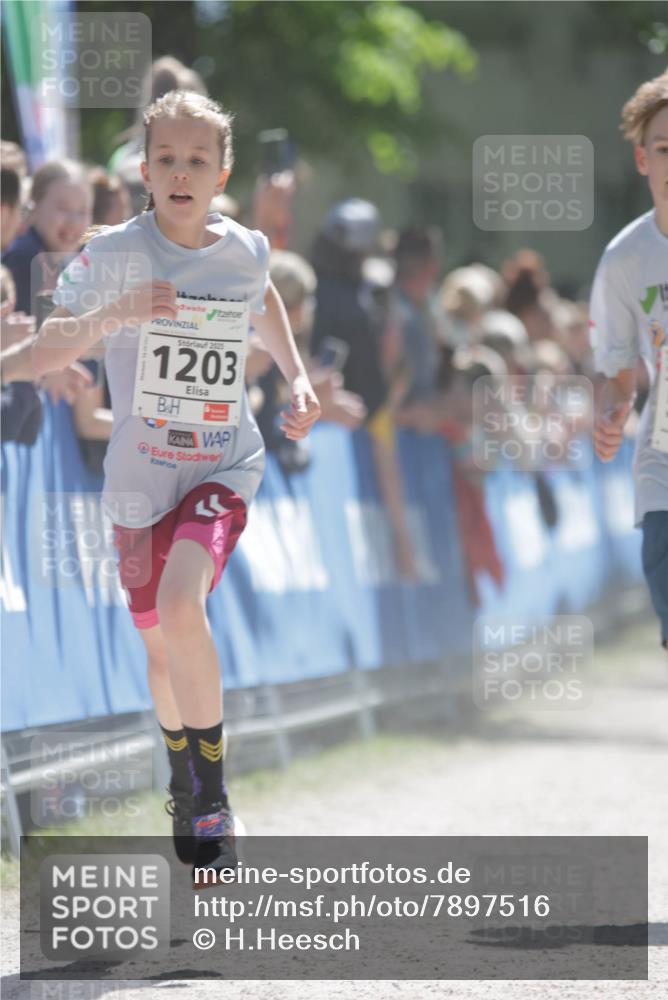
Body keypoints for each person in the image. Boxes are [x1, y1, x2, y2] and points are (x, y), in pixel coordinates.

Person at [31, 90, 321, 885]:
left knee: (185, 604)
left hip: (224, 463)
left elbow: (261, 297)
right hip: (138, 481)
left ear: (222, 173)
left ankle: (213, 799)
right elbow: (57, 332)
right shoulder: (114, 252)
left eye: (198, 160)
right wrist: (101, 321)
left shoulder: (245, 249)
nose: (182, 173)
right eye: (166, 159)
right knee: (161, 648)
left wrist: (295, 379)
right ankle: (183, 777)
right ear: (144, 170)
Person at [590, 69, 668, 650]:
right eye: (665, 149)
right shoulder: (625, 259)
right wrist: (612, 413)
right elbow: (619, 376)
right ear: (643, 160)